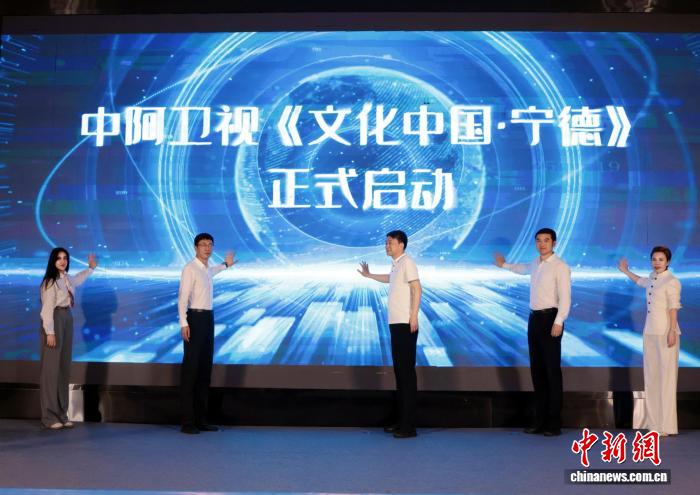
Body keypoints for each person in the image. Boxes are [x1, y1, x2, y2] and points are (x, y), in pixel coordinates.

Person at [494, 228, 571, 436]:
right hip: (534, 319)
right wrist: (503, 265)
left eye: (546, 240)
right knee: (537, 372)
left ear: (554, 243)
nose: (542, 244)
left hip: (551, 319)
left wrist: (559, 321)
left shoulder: (560, 266)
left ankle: (554, 423)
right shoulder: (536, 263)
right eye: (538, 240)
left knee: (552, 373)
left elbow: (565, 298)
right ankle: (540, 421)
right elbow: (522, 269)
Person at [358, 230, 422, 438]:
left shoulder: (407, 262)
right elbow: (390, 279)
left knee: (406, 375)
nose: (387, 246)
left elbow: (417, 288)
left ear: (401, 245)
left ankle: (408, 426)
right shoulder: (396, 265)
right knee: (400, 374)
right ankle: (401, 421)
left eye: (390, 242)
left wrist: (414, 316)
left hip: (405, 324)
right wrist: (369, 275)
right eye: (386, 243)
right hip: (396, 323)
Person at [618, 246, 681, 436]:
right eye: (654, 259)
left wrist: (672, 330)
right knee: (652, 378)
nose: (657, 262)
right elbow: (641, 281)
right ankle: (654, 424)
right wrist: (625, 270)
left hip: (666, 332)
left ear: (668, 261)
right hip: (650, 332)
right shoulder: (653, 278)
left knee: (666, 379)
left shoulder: (672, 281)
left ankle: (667, 426)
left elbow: (673, 308)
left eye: (661, 259)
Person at [178, 232, 236, 434]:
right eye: (203, 244)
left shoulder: (206, 269)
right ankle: (187, 422)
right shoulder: (190, 268)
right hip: (194, 319)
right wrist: (184, 323)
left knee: (204, 372)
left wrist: (226, 265)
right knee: (191, 372)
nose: (207, 248)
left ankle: (201, 420)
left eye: (210, 244)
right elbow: (182, 298)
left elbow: (213, 271)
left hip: (208, 319)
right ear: (196, 248)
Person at [39, 247, 97, 429]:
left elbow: (78, 279)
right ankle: (49, 416)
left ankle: (62, 413)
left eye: (65, 258)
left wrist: (90, 268)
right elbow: (46, 310)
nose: (62, 261)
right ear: (53, 261)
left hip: (66, 318)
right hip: (54, 320)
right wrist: (50, 332)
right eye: (59, 258)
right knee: (51, 370)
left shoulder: (67, 278)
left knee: (63, 368)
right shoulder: (50, 282)